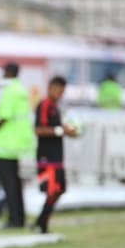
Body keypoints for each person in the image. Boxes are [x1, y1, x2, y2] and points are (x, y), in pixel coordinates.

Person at [32, 76, 77, 234]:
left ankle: (40, 220)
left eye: (63, 91)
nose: (60, 94)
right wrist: (61, 131)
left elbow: (56, 128)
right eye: (59, 90)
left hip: (57, 156)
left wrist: (68, 131)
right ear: (51, 87)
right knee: (53, 189)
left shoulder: (55, 107)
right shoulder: (44, 105)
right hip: (46, 156)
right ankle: (42, 224)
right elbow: (38, 129)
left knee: (60, 188)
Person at [0, 62, 35, 229]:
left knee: (9, 184)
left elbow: (4, 116)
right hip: (19, 143)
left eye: (4, 71)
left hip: (7, 145)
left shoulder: (9, 90)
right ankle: (20, 217)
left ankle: (14, 220)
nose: (2, 75)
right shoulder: (21, 89)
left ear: (10, 73)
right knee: (16, 184)